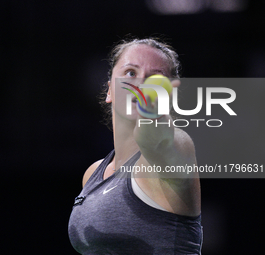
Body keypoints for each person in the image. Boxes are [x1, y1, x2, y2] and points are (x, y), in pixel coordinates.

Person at [68, 37, 203, 254]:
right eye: (130, 73)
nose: (140, 83)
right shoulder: (94, 173)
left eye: (155, 79)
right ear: (110, 90)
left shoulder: (179, 147)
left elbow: (158, 136)